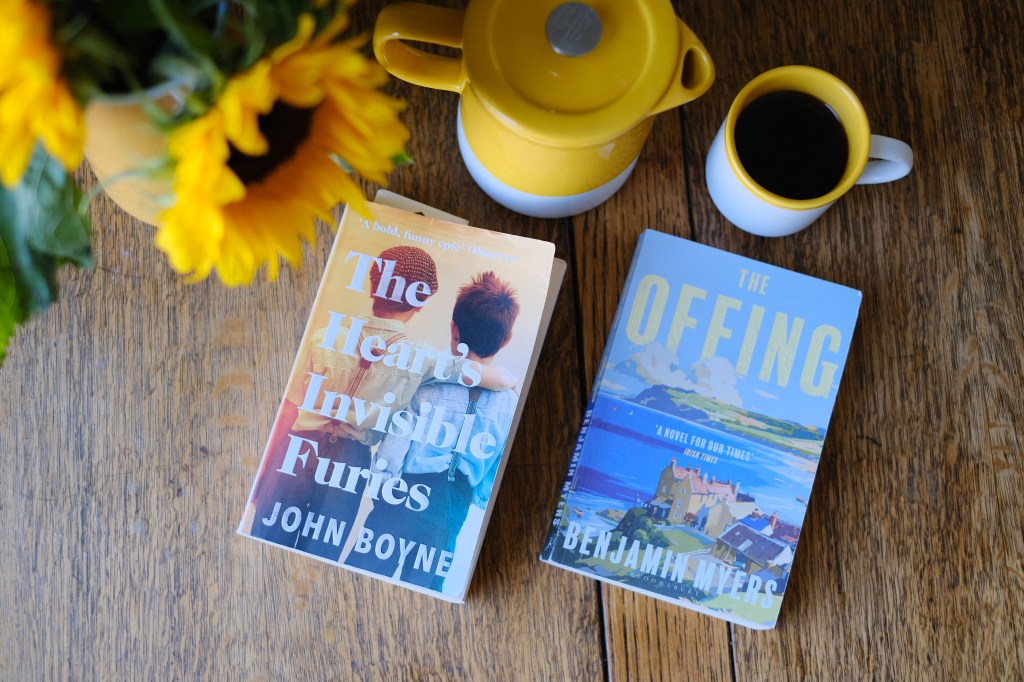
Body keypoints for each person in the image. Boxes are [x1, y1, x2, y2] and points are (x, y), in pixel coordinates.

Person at [247, 248, 513, 561]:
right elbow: (479, 374)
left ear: (372, 286)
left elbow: (287, 412)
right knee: (321, 556)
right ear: (420, 304)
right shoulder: (420, 358)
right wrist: (509, 381)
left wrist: (262, 475)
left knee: (264, 543)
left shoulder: (323, 336)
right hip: (350, 460)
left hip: (294, 448)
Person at [345, 272, 521, 591]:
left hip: (405, 494)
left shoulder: (428, 384)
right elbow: (494, 467)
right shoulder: (509, 403)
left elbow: (394, 448)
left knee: (361, 577)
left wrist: (380, 488)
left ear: (454, 329)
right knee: (425, 587)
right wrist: (474, 495)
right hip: (453, 508)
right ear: (506, 339)